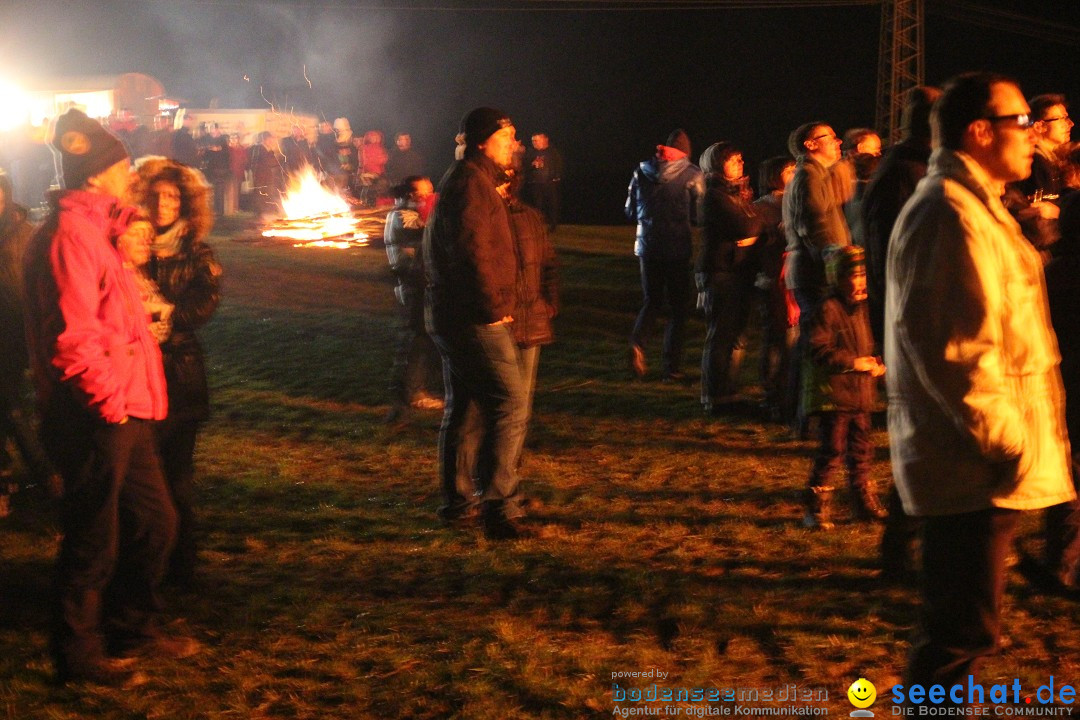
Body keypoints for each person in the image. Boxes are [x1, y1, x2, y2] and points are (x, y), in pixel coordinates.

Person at [886, 72, 1073, 694]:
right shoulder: (948, 212)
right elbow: (956, 351)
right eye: (1022, 122)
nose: (1035, 136)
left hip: (982, 465)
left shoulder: (976, 205)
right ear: (979, 131)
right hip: (971, 466)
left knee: (965, 630)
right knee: (956, 636)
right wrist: (1008, 444)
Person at [22, 109, 197, 688]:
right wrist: (108, 402)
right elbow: (73, 335)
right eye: (121, 166)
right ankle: (78, 654)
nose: (131, 175)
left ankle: (134, 628)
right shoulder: (71, 236)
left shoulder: (100, 229)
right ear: (96, 175)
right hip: (96, 411)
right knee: (94, 535)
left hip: (128, 405)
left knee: (155, 521)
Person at [423, 107, 530, 540]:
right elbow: (473, 254)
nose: (513, 145)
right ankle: (501, 504)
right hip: (473, 317)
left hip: (454, 315)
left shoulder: (472, 180)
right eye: (506, 138)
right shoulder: (471, 184)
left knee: (466, 408)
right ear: (484, 142)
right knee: (510, 403)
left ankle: (459, 502)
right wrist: (492, 307)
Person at [132, 156, 222, 588]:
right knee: (144, 477)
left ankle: (183, 567)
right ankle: (144, 563)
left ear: (185, 203)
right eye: (157, 196)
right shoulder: (132, 246)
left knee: (179, 478)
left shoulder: (196, 252)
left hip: (180, 372)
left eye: (172, 196)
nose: (164, 204)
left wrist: (170, 315)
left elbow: (206, 303)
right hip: (137, 374)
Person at [800, 245, 886, 529]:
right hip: (835, 397)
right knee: (833, 450)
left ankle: (861, 500)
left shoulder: (861, 308)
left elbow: (866, 345)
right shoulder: (828, 309)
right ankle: (816, 506)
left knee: (862, 450)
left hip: (859, 394)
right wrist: (853, 362)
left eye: (862, 275)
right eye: (853, 275)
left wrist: (875, 364)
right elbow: (818, 348)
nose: (860, 281)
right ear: (838, 278)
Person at [782, 121, 849, 435]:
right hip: (815, 273)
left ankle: (805, 415)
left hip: (815, 271)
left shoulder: (819, 174)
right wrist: (834, 262)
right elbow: (814, 224)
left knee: (812, 344)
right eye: (830, 137)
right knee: (814, 345)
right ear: (810, 144)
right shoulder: (808, 176)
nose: (837, 142)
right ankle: (804, 418)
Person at [625, 129, 704, 381]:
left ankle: (638, 343)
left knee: (652, 301)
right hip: (677, 247)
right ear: (686, 151)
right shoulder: (692, 173)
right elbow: (700, 214)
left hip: (647, 247)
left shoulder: (641, 171)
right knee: (679, 309)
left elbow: (629, 210)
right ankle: (671, 368)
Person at [0, 171, 57, 515]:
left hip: (13, 330)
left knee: (8, 404)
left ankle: (47, 473)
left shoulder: (22, 233)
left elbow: (30, 285)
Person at [696, 141, 761, 412]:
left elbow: (756, 223)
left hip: (738, 271)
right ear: (716, 165)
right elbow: (748, 224)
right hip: (721, 272)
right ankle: (715, 395)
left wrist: (751, 234)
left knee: (737, 335)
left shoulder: (739, 193)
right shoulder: (715, 196)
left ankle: (729, 391)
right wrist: (750, 232)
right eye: (732, 160)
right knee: (722, 335)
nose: (739, 164)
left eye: (740, 159)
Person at [384, 175, 442, 423]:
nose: (429, 194)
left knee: (423, 337)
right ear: (412, 194)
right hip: (413, 282)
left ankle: (413, 389)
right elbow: (420, 242)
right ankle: (413, 393)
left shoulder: (408, 212)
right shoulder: (403, 216)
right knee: (418, 338)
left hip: (418, 281)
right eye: (424, 191)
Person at [752, 157, 797, 423]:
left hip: (792, 279)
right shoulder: (762, 208)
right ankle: (771, 393)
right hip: (773, 279)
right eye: (788, 170)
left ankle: (787, 392)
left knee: (792, 338)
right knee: (777, 338)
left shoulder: (796, 200)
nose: (794, 173)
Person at [523, 132, 563, 231]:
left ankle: (553, 225)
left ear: (544, 140)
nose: (534, 143)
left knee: (552, 204)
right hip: (536, 183)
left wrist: (556, 176)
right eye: (533, 141)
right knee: (537, 205)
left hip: (550, 183)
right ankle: (539, 224)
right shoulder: (531, 153)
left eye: (536, 140)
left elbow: (558, 164)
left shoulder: (552, 152)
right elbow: (524, 166)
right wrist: (531, 164)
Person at [249, 132, 284, 222]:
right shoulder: (259, 148)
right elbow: (259, 162)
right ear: (264, 139)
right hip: (261, 176)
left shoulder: (267, 149)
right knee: (260, 195)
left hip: (267, 176)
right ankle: (260, 214)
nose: (271, 141)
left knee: (267, 194)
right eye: (269, 139)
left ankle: (265, 213)